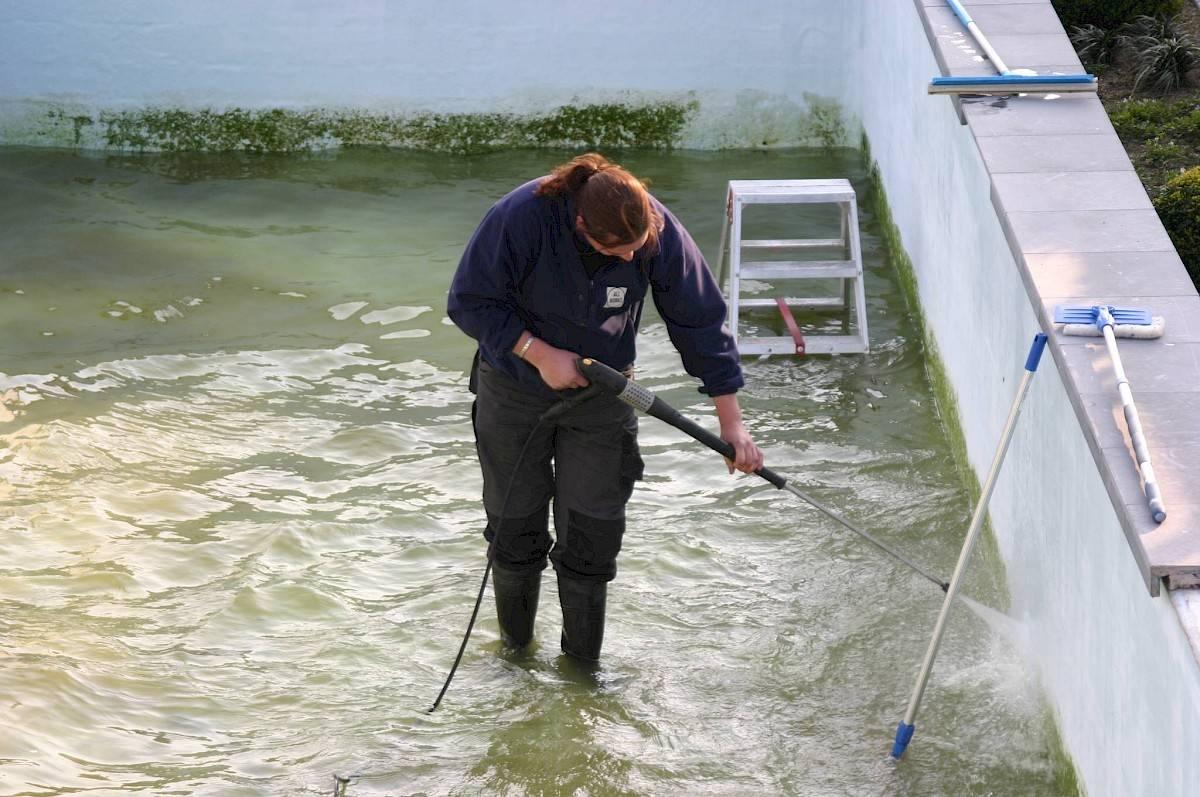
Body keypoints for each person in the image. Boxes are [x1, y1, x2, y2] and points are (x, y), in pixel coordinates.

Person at [447, 152, 763, 663]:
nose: (627, 261)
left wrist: (732, 423)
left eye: (636, 251)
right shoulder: (519, 216)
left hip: (604, 396)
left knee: (593, 537)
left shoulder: (656, 231)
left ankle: (581, 674)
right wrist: (539, 353)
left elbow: (699, 320)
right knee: (515, 529)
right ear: (580, 225)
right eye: (613, 251)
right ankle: (514, 655)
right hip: (513, 391)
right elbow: (468, 301)